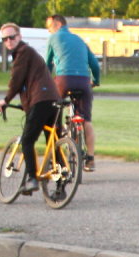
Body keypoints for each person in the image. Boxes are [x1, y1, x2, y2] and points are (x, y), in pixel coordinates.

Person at [0, 23, 60, 196]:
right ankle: (61, 186)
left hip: (41, 101)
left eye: (12, 37)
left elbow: (16, 80)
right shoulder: (29, 53)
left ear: (20, 37)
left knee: (27, 140)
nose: (9, 41)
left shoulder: (23, 52)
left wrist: (6, 100)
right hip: (54, 100)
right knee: (53, 143)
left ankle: (32, 178)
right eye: (5, 39)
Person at [45, 14, 100, 172]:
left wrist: (46, 83)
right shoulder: (80, 40)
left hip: (63, 80)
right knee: (86, 120)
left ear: (57, 24)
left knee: (53, 114)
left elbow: (47, 63)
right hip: (84, 81)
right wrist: (95, 81)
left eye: (49, 27)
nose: (49, 31)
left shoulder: (54, 38)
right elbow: (94, 64)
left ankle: (55, 155)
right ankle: (90, 159)